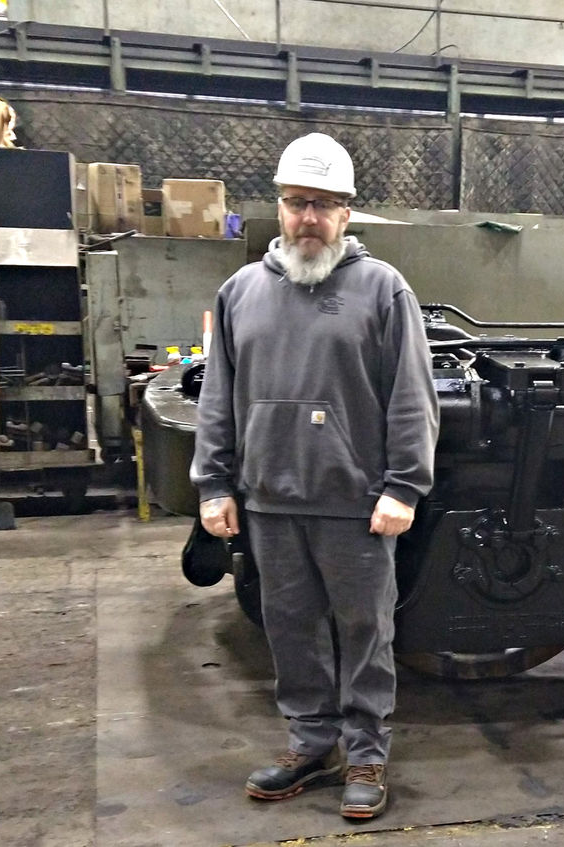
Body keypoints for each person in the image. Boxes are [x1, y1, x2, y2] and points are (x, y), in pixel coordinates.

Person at [190, 132, 439, 821]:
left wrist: (404, 485)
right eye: (298, 203)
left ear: (346, 214)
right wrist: (214, 484)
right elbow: (218, 397)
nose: (309, 218)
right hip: (270, 502)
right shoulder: (242, 291)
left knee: (365, 630)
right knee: (290, 626)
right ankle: (310, 742)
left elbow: (412, 397)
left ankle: (364, 752)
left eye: (323, 205)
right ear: (280, 206)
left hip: (355, 504)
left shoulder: (383, 290)